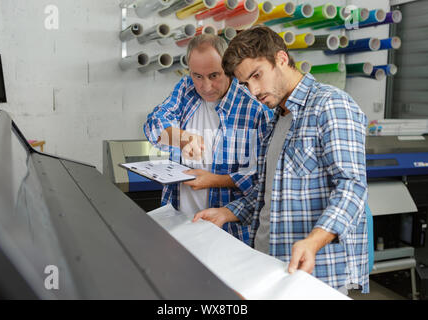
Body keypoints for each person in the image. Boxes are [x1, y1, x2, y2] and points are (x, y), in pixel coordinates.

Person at [193, 26, 369, 293]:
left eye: (256, 75)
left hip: (312, 273)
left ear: (282, 59)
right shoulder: (277, 118)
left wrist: (313, 241)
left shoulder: (330, 105)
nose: (253, 90)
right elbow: (269, 193)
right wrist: (227, 213)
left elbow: (352, 187)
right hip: (267, 264)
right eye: (245, 83)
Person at [144, 34, 273, 244]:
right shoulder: (186, 88)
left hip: (230, 234)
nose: (205, 86)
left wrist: (214, 180)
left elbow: (263, 182)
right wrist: (181, 138)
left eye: (214, 75)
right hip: (178, 226)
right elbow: (154, 123)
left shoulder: (255, 108)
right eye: (197, 76)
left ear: (229, 69)